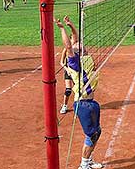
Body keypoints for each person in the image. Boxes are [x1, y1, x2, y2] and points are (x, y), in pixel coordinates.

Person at [55, 16, 103, 169]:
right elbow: (69, 47)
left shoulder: (86, 58)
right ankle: (83, 165)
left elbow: (75, 42)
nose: (80, 45)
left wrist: (72, 26)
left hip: (91, 103)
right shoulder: (75, 62)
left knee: (98, 132)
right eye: (77, 47)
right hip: (82, 104)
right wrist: (62, 28)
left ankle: (88, 161)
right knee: (92, 134)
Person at [59, 46, 74, 114]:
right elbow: (61, 62)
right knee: (68, 90)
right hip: (68, 71)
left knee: (80, 88)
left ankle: (80, 105)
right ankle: (64, 105)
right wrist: (67, 69)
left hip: (77, 71)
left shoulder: (80, 48)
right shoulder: (66, 49)